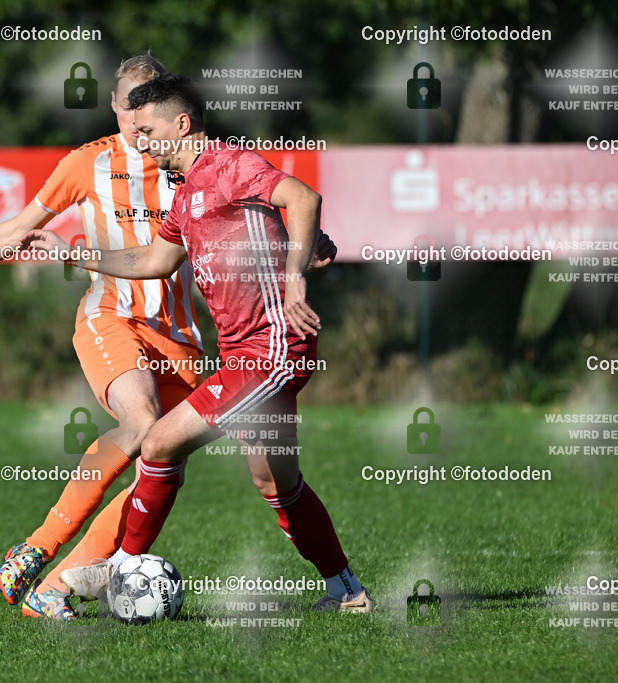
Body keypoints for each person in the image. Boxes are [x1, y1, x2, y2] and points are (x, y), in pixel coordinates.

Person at [0, 53, 337, 621]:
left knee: (172, 465)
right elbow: (18, 228)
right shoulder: (89, 162)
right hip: (112, 317)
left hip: (181, 337)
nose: (136, 123)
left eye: (146, 110)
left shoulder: (195, 166)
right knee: (146, 427)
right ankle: (42, 549)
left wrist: (303, 247)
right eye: (129, 109)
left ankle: (59, 587)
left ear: (173, 114)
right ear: (115, 106)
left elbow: (270, 208)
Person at [24, 74, 372, 613]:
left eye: (147, 131)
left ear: (182, 125)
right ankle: (347, 591)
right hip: (246, 355)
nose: (140, 142)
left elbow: (303, 196)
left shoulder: (229, 165)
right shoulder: (186, 197)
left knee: (160, 442)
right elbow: (152, 260)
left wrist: (295, 275)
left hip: (271, 350)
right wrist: (74, 254)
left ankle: (119, 568)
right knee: (275, 481)